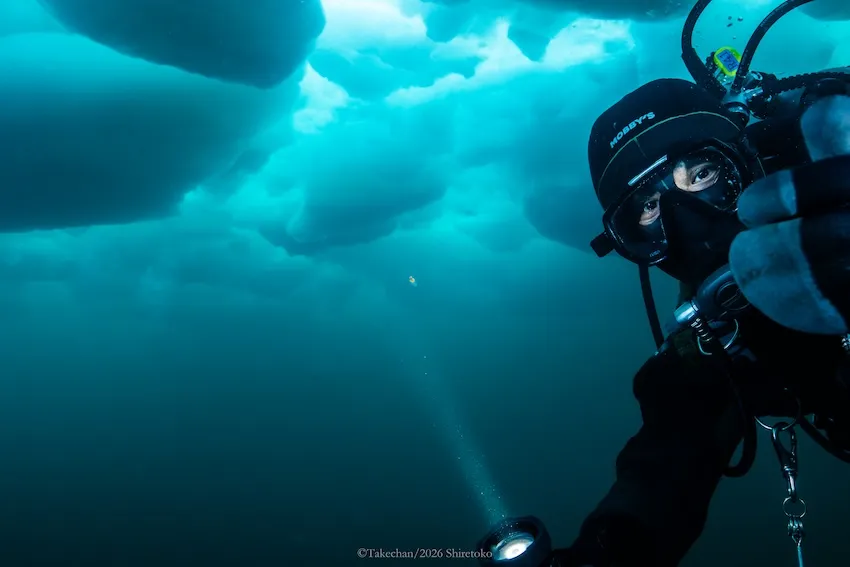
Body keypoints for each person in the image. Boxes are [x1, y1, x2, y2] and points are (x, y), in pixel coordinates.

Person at [559, 78, 850, 567]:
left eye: (701, 173)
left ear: (747, 161)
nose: (687, 219)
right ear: (632, 241)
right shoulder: (706, 351)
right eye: (649, 208)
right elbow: (665, 464)